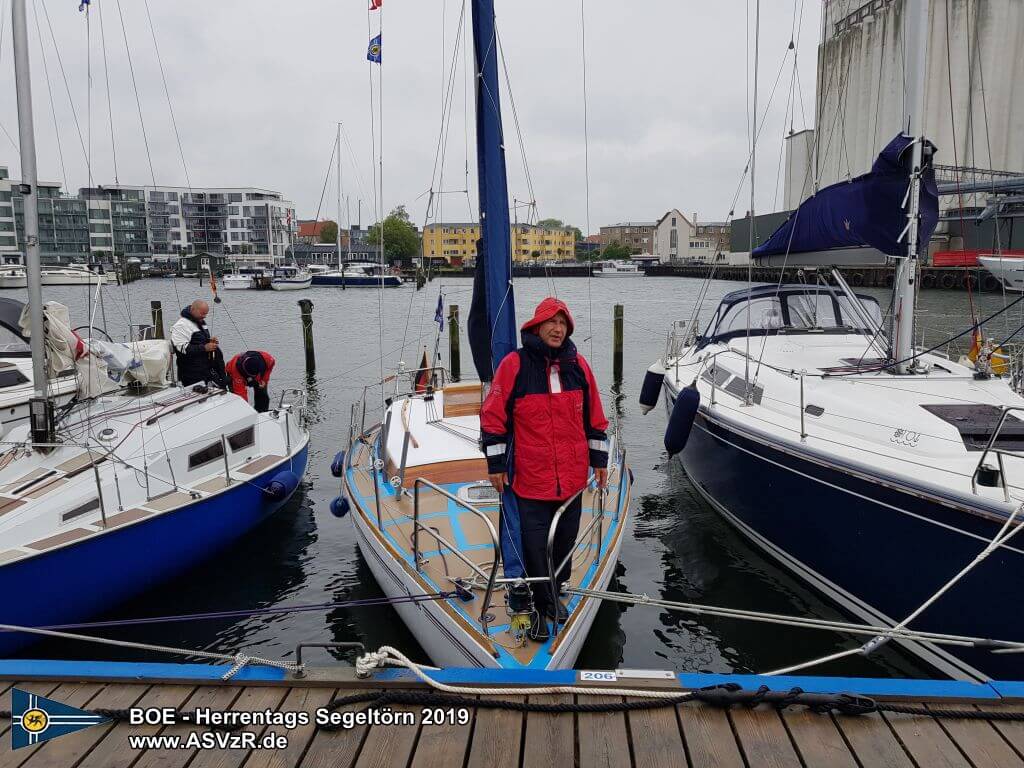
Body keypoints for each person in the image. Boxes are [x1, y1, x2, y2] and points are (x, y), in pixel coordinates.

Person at [480, 297, 609, 642]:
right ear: (536, 327)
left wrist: (599, 461)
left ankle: (554, 593)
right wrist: (495, 464)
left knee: (565, 542)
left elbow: (594, 416)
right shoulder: (514, 365)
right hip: (530, 480)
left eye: (563, 323)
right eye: (551, 322)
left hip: (572, 479)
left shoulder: (578, 366)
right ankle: (537, 604)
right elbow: (493, 416)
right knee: (534, 547)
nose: (557, 328)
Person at [170, 300, 226, 387]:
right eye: (202, 313)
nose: (204, 316)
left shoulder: (200, 320)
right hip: (191, 373)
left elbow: (199, 340)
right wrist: (204, 348)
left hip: (205, 369)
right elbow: (181, 348)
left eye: (206, 314)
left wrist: (210, 341)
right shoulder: (181, 325)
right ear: (193, 310)